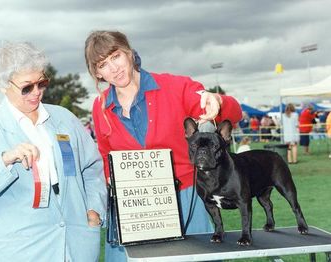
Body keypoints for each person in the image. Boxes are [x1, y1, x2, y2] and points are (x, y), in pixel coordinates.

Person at [84, 30, 242, 262]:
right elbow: (106, 155)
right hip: (134, 206)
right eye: (103, 65)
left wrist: (217, 101)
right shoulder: (100, 107)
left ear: (129, 53)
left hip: (187, 199)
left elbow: (233, 113)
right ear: (97, 72)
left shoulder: (176, 87)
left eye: (116, 56)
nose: (113, 68)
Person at [0, 42, 107, 261]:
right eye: (26, 87)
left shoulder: (65, 118)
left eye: (42, 83)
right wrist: (5, 161)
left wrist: (94, 210)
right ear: (3, 86)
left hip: (77, 245)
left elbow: (92, 167)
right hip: (22, 250)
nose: (37, 93)